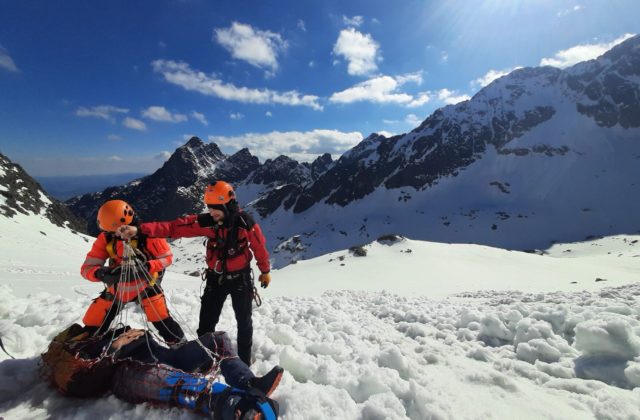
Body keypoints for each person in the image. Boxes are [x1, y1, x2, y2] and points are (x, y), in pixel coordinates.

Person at [117, 181, 270, 365]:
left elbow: (259, 247)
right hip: (215, 280)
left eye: (216, 208)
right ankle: (204, 361)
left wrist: (265, 270)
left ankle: (244, 363)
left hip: (241, 280)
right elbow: (173, 228)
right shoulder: (207, 222)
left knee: (244, 323)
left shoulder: (245, 224)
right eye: (210, 208)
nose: (212, 212)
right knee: (206, 324)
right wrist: (139, 230)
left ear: (227, 205)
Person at [41, 323, 282, 419]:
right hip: (126, 373)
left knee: (217, 339)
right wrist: (115, 347)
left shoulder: (109, 326)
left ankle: (248, 383)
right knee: (166, 380)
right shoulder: (75, 354)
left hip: (163, 356)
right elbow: (81, 384)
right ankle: (229, 404)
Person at [80, 199, 185, 345]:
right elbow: (86, 269)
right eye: (112, 231)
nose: (118, 234)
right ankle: (89, 343)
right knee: (94, 320)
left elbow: (167, 259)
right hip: (118, 286)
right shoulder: (106, 238)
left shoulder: (149, 235)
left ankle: (179, 345)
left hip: (146, 284)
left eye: (119, 230)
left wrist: (148, 267)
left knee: (161, 318)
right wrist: (101, 274)